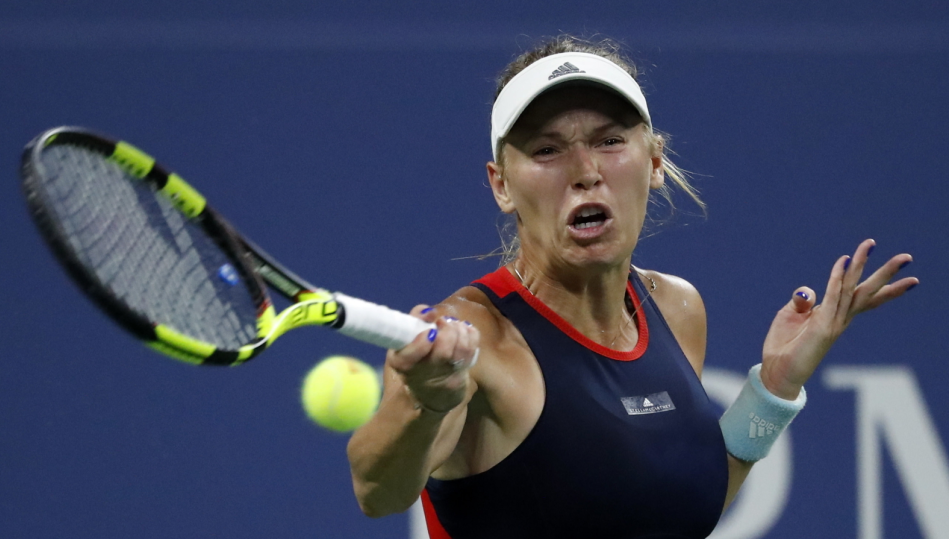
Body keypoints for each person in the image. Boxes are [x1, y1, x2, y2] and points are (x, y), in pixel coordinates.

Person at [346, 36, 919, 538]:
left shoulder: (676, 307)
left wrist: (773, 388)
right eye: (547, 149)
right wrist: (426, 400)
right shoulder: (474, 339)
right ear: (501, 185)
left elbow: (665, 513)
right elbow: (379, 492)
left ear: (654, 161)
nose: (585, 169)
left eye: (609, 141)